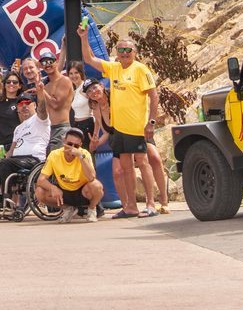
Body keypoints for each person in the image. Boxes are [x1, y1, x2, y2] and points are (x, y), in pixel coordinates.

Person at [80, 24, 160, 219]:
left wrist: (152, 121)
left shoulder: (141, 69)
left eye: (128, 50)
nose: (124, 53)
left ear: (135, 52)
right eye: (120, 50)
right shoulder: (114, 68)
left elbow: (154, 95)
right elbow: (89, 59)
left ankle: (151, 204)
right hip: (119, 128)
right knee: (125, 168)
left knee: (142, 162)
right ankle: (131, 206)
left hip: (137, 126)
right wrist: (84, 37)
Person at [0, 90, 53, 214]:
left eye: (27, 103)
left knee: (7, 163)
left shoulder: (40, 120)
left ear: (34, 105)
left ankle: (7, 203)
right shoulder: (18, 129)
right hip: (15, 161)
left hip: (34, 160)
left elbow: (42, 108)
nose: (24, 106)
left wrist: (40, 92)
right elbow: (11, 151)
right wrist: (2, 158)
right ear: (17, 109)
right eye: (20, 104)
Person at [35, 126, 104, 221]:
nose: (72, 148)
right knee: (39, 192)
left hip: (82, 192)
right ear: (64, 142)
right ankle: (68, 209)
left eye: (76, 146)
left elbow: (91, 178)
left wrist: (80, 156)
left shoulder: (84, 154)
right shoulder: (54, 155)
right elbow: (40, 180)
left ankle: (92, 209)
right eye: (69, 144)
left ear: (80, 145)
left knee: (97, 186)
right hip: (64, 192)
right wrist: (52, 187)